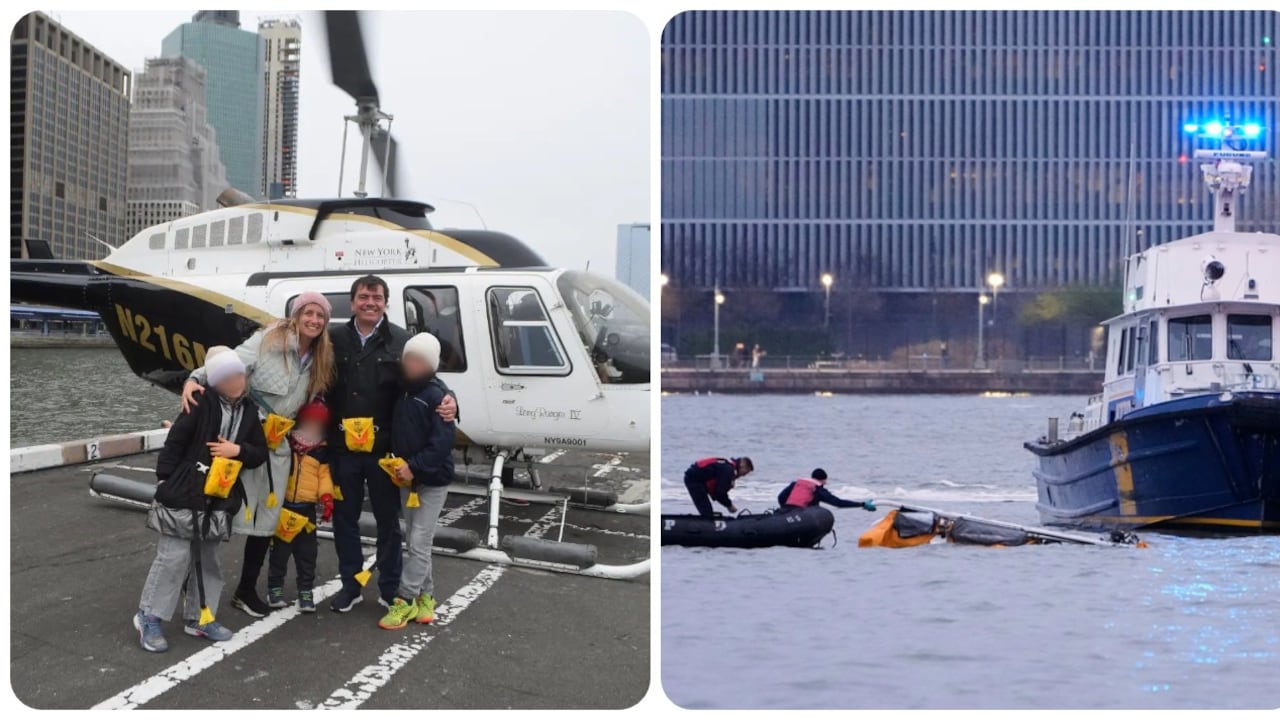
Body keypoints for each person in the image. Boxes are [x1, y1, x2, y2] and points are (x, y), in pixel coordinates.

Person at [181, 292, 337, 618]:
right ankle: (188, 579)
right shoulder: (268, 339)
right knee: (215, 507)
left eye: (320, 315)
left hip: (276, 445)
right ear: (296, 315)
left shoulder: (321, 357)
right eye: (308, 313)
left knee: (266, 520)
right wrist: (194, 379)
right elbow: (231, 363)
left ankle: (246, 589)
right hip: (242, 430)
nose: (314, 320)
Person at [328, 275, 459, 613]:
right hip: (343, 449)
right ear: (352, 302)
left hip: (385, 451)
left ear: (385, 303)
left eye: (377, 297)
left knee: (388, 522)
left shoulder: (401, 340)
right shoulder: (333, 339)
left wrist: (450, 397)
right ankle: (350, 586)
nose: (370, 303)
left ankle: (389, 586)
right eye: (363, 296)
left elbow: (426, 376)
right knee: (345, 519)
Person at [134, 348, 269, 652]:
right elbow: (175, 442)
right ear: (216, 381)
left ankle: (200, 616)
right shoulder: (198, 402)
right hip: (185, 489)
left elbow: (259, 452)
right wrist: (164, 479)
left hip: (219, 495)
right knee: (173, 556)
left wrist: (238, 451)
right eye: (227, 377)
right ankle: (149, 616)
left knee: (208, 558)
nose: (236, 381)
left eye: (239, 375)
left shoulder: (250, 410)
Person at [377, 333, 456, 630]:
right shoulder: (402, 388)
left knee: (419, 541)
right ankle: (427, 596)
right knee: (415, 539)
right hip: (406, 479)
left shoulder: (437, 396)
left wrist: (415, 466)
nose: (413, 364)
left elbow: (443, 443)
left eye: (421, 360)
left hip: (431, 480)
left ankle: (405, 599)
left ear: (432, 365)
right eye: (409, 358)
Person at [266, 399, 334, 613]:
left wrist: (327, 498)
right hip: (284, 506)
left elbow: (324, 476)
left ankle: (305, 591)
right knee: (279, 552)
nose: (314, 426)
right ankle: (274, 588)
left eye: (318, 423)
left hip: (307, 510)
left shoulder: (322, 450)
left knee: (307, 554)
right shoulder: (286, 443)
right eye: (310, 421)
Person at [683, 456, 753, 518]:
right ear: (742, 465)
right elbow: (719, 493)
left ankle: (709, 521)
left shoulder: (728, 467)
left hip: (698, 478)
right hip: (693, 479)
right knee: (706, 510)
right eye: (746, 472)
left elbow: (716, 490)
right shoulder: (728, 470)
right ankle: (708, 525)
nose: (744, 475)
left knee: (707, 510)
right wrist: (729, 505)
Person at [777, 468, 876, 512]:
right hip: (801, 513)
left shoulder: (796, 484)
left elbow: (781, 497)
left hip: (786, 510)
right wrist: (862, 504)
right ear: (822, 480)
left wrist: (785, 508)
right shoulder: (817, 489)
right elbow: (838, 503)